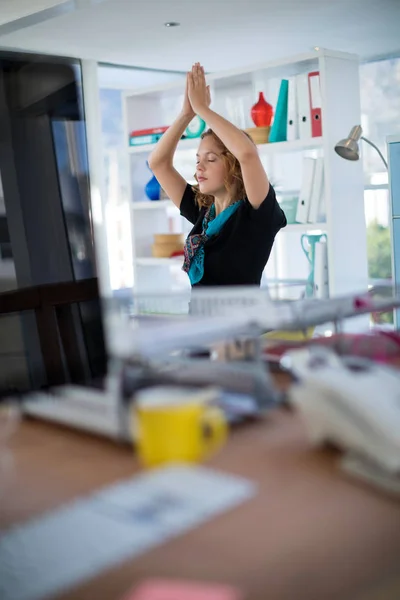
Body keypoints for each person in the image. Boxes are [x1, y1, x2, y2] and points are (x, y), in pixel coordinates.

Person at [148, 62, 287, 287]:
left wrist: (203, 109)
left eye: (211, 159)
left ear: (234, 165)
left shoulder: (256, 213)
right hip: (202, 322)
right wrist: (187, 114)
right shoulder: (204, 211)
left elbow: (248, 154)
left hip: (241, 322)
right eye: (197, 160)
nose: (199, 168)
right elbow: (158, 163)